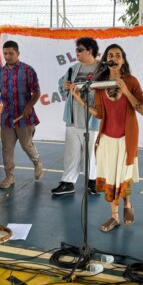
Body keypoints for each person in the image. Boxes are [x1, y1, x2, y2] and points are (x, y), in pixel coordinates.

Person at [71, 44, 143, 232]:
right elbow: (99, 114)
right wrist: (79, 99)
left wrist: (126, 90)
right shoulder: (100, 84)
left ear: (123, 60)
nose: (114, 58)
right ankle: (114, 217)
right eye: (110, 55)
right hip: (106, 138)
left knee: (124, 175)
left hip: (126, 138)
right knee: (111, 178)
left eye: (118, 55)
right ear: (106, 60)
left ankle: (127, 204)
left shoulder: (131, 81)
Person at [0, 40, 44, 189]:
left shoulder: (28, 70)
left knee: (26, 145)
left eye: (11, 53)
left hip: (24, 116)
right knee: (7, 149)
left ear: (18, 53)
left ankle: (37, 162)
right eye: (5, 54)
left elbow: (37, 92)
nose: (7, 56)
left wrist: (29, 106)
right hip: (7, 117)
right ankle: (9, 176)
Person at [51, 37, 101, 195]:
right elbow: (61, 86)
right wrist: (64, 86)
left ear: (90, 51)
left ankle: (92, 181)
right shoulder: (73, 69)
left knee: (92, 154)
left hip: (92, 119)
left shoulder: (102, 69)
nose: (77, 53)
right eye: (76, 50)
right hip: (73, 119)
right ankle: (68, 182)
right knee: (71, 153)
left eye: (80, 50)